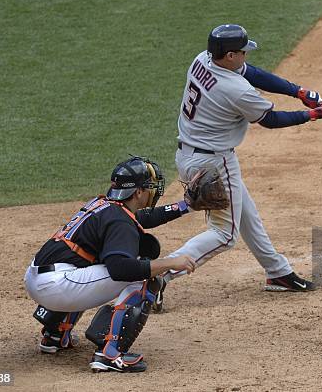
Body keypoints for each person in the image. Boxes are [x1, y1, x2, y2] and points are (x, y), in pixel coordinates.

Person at [156, 24, 322, 311]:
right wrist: (310, 114)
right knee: (225, 235)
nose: (245, 56)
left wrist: (298, 91)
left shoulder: (203, 59)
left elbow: (250, 72)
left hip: (189, 154)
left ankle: (278, 272)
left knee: (246, 213)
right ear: (229, 55)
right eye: (242, 52)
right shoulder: (235, 90)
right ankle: (159, 275)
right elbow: (270, 120)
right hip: (214, 162)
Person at [24, 156, 197, 373]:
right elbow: (120, 269)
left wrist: (185, 206)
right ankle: (110, 354)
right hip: (57, 288)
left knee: (88, 266)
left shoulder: (104, 205)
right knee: (143, 273)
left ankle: (56, 334)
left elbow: (141, 218)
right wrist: (169, 263)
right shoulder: (119, 221)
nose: (153, 191)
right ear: (138, 192)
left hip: (37, 278)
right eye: (149, 187)